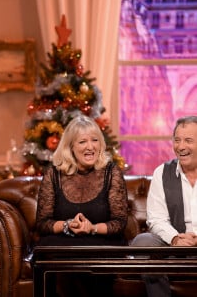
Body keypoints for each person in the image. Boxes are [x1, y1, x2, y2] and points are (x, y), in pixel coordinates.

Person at [35, 114, 128, 297]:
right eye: (82, 142)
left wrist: (92, 227)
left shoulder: (111, 173)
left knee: (95, 256)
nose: (90, 147)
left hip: (102, 242)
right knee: (50, 253)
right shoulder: (54, 175)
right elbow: (42, 223)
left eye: (95, 140)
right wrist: (68, 225)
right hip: (63, 241)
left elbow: (119, 222)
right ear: (70, 147)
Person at [131, 115, 197, 297]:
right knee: (142, 243)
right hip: (172, 245)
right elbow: (156, 219)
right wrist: (176, 239)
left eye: (188, 141)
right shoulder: (162, 172)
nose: (181, 147)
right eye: (177, 140)